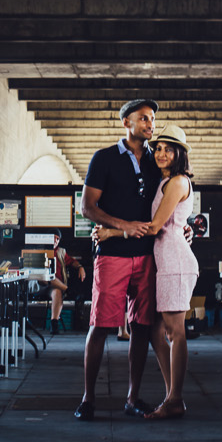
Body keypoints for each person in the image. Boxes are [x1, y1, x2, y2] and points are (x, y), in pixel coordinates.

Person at [94, 124, 195, 419]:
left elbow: (154, 227)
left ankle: (175, 399)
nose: (161, 153)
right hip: (163, 260)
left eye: (169, 149)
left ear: (180, 154)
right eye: (158, 148)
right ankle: (172, 396)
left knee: (175, 332)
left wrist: (111, 232)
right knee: (154, 332)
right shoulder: (165, 181)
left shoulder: (177, 182)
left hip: (174, 262)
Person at [76, 98, 163, 421]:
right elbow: (88, 207)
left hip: (148, 255)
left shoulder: (158, 160)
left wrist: (184, 228)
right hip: (112, 255)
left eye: (152, 119)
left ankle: (132, 397)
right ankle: (88, 398)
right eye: (143, 118)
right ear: (126, 122)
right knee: (100, 325)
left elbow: (170, 202)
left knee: (141, 327)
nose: (150, 124)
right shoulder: (104, 158)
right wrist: (122, 226)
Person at [43, 232, 87, 335]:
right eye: (53, 237)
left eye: (57, 239)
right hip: (41, 284)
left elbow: (72, 261)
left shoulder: (61, 251)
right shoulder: (40, 249)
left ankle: (54, 323)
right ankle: (68, 290)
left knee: (57, 292)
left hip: (55, 286)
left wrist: (80, 267)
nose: (55, 240)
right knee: (48, 276)